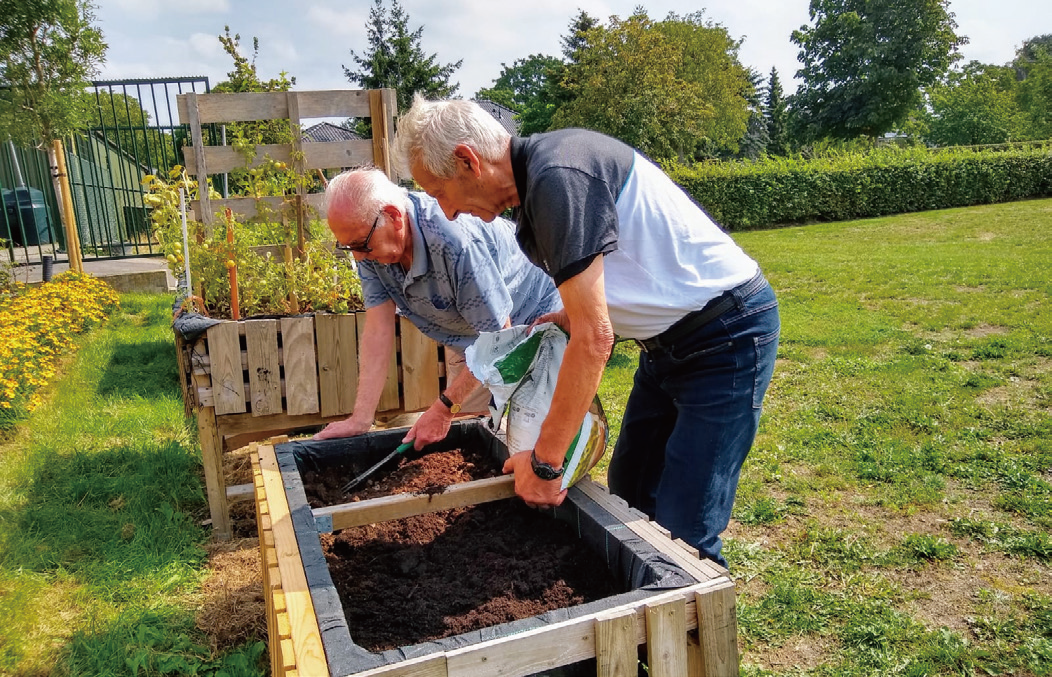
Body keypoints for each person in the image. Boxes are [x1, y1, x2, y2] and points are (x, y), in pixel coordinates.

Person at [391, 97, 780, 567]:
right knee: (633, 487)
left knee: (686, 528)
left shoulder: (559, 178)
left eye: (438, 192)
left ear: (468, 161)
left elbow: (595, 340)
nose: (447, 212)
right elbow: (607, 286)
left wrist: (545, 464)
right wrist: (569, 317)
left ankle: (698, 629)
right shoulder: (540, 187)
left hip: (725, 337)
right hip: (668, 346)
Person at [313, 167, 562, 450]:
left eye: (360, 245)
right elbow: (378, 329)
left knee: (541, 447)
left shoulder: (455, 244)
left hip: (537, 321)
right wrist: (361, 418)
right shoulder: (371, 246)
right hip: (478, 338)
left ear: (394, 217)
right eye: (348, 247)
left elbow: (499, 342)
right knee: (471, 441)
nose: (358, 256)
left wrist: (444, 409)